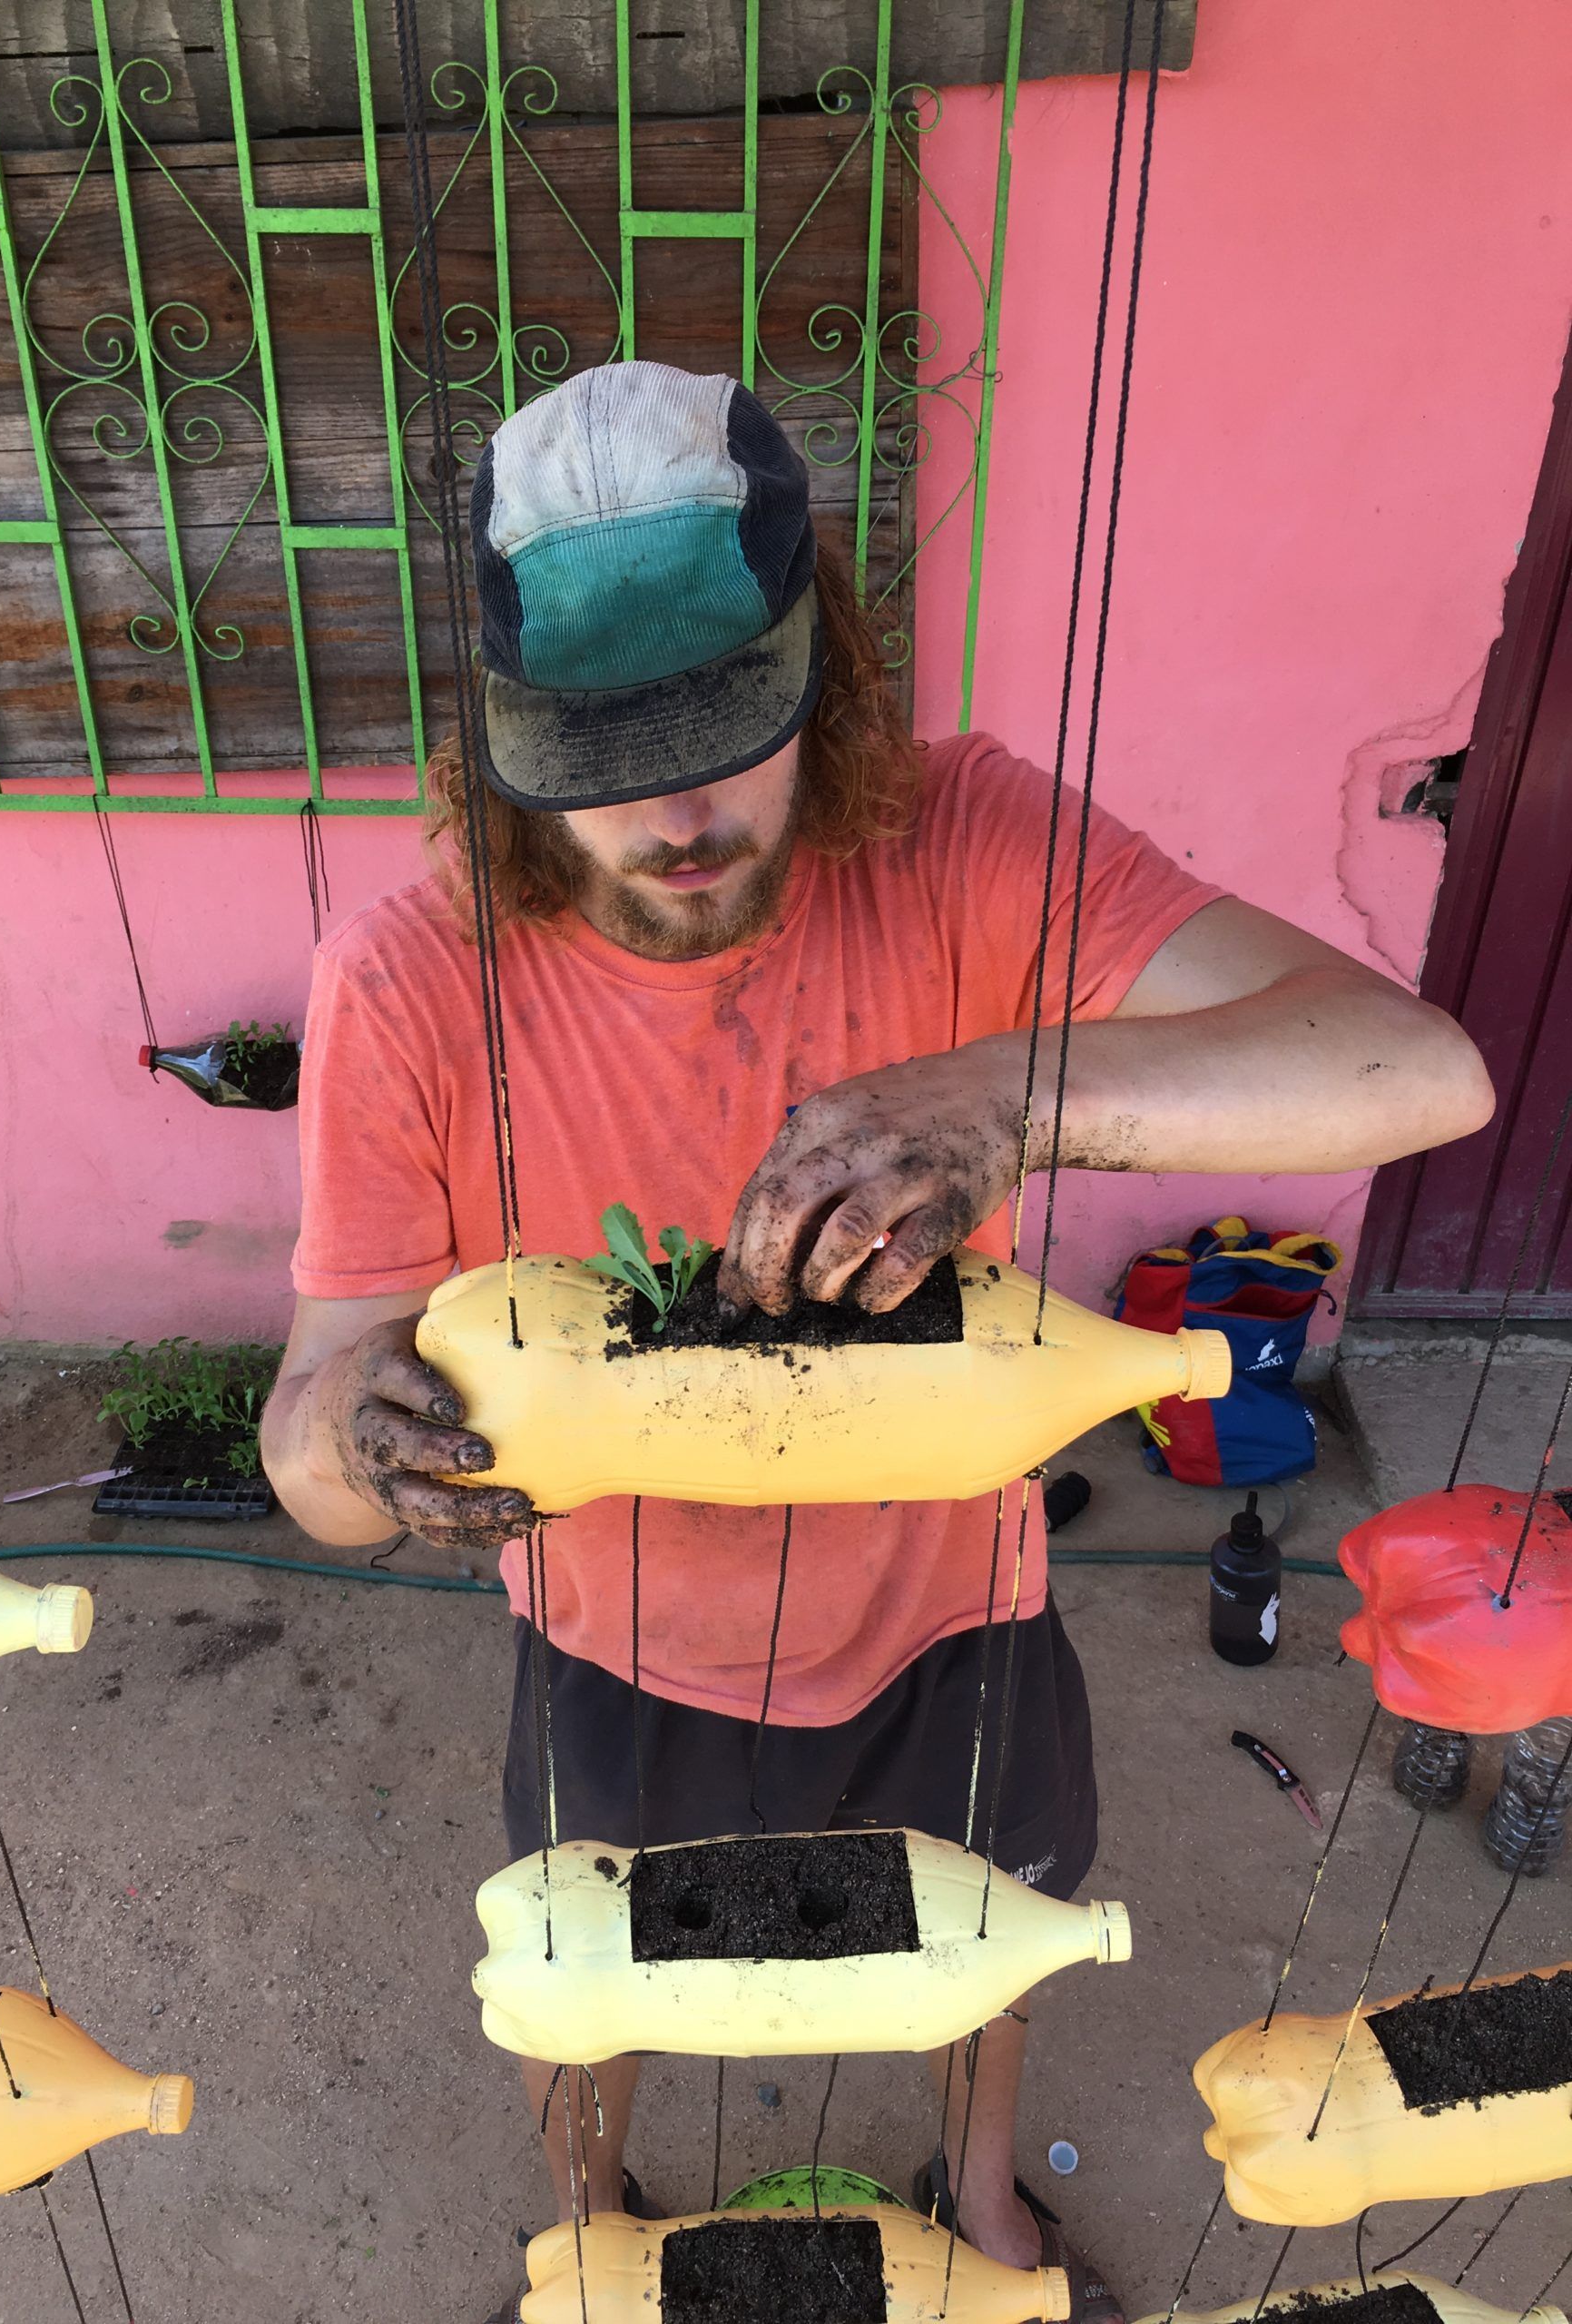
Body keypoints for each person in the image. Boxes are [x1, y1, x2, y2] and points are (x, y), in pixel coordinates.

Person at [260, 360, 1492, 2323]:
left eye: (722, 735)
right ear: (500, 737)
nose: (677, 817)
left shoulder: (964, 838)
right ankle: (591, 2209)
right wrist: (354, 1440)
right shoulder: (411, 983)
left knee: (985, 1940)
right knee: (593, 1977)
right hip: (615, 1631)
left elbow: (1414, 1068)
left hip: (950, 1598)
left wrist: (1010, 1092)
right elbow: (310, 1441)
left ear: (819, 671)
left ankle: (982, 2191)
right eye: (605, 755)